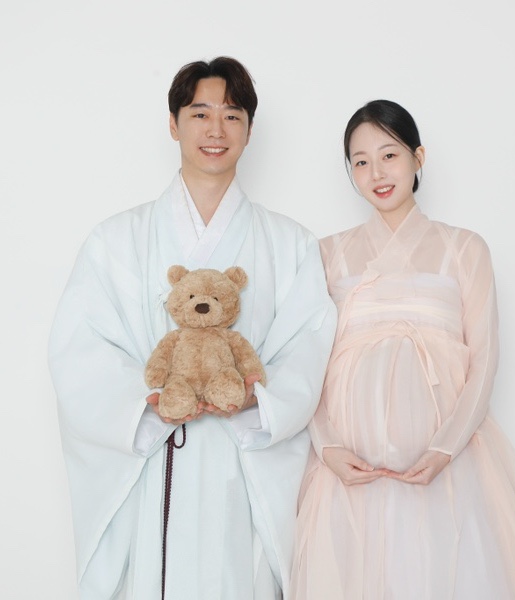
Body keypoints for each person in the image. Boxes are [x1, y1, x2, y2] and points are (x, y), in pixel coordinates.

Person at [48, 56, 337, 600]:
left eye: (232, 116)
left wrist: (259, 399)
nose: (215, 130)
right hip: (156, 460)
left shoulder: (290, 244)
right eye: (200, 113)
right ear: (173, 123)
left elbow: (309, 343)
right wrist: (145, 403)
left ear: (250, 129)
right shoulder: (116, 240)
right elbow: (81, 348)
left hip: (240, 464)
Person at [290, 99, 515, 599]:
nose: (377, 173)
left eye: (389, 155)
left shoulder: (464, 248)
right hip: (350, 471)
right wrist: (327, 445)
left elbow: (484, 358)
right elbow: (306, 362)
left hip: (450, 467)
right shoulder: (327, 254)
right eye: (360, 161)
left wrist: (445, 447)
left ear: (418, 157)